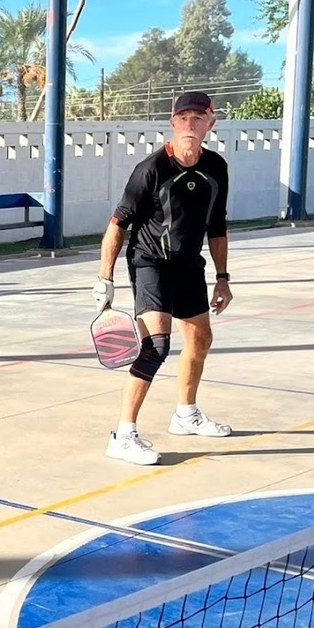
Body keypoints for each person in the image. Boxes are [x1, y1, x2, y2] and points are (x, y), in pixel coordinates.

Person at [94, 90, 233, 466]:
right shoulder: (151, 168)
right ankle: (122, 435)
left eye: (198, 117)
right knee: (156, 346)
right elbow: (117, 223)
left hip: (189, 264)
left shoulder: (216, 167)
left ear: (210, 123)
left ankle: (185, 415)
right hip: (149, 262)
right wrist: (104, 278)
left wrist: (222, 277)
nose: (191, 123)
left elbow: (217, 226)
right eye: (184, 117)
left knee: (201, 338)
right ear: (172, 123)